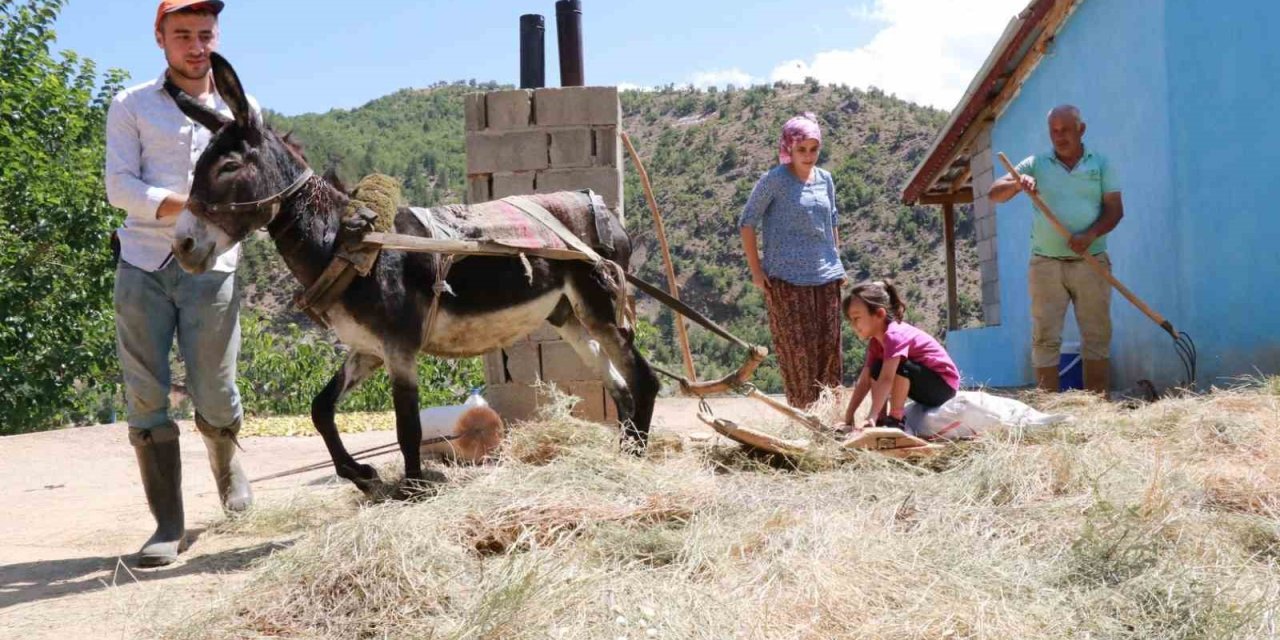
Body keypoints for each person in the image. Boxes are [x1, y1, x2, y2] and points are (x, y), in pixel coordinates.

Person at [105, 0, 259, 567]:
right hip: (143, 264)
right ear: (160, 39)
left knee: (215, 388)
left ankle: (228, 469)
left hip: (212, 268)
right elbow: (119, 187)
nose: (196, 46)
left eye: (205, 34)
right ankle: (168, 522)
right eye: (183, 35)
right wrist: (189, 207)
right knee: (145, 395)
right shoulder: (131, 105)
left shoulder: (242, 109)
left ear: (216, 36)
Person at [988, 105, 1124, 395]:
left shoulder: (1100, 164)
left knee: (1096, 335)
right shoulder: (1036, 163)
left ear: (1081, 130)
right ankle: (1048, 406)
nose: (1059, 137)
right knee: (1045, 337)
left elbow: (1115, 211)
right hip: (1046, 265)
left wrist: (1090, 235)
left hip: (1091, 261)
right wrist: (1017, 183)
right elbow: (994, 193)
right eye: (1054, 131)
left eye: (1065, 130)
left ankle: (1098, 405)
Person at [739, 113, 845, 409]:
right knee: (798, 353)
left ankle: (831, 417)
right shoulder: (774, 181)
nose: (809, 156)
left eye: (814, 149)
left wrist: (837, 260)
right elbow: (746, 222)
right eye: (802, 149)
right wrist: (757, 272)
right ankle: (805, 417)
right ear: (789, 148)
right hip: (786, 279)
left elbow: (831, 220)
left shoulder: (825, 180)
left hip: (826, 277)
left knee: (830, 353)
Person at [839, 280, 960, 432]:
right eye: (850, 320)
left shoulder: (895, 335)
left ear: (879, 313)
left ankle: (896, 420)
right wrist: (849, 417)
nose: (853, 326)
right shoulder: (875, 344)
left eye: (856, 318)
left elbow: (887, 379)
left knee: (900, 367)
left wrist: (870, 415)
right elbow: (864, 381)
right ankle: (880, 419)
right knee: (876, 367)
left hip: (943, 387)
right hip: (923, 386)